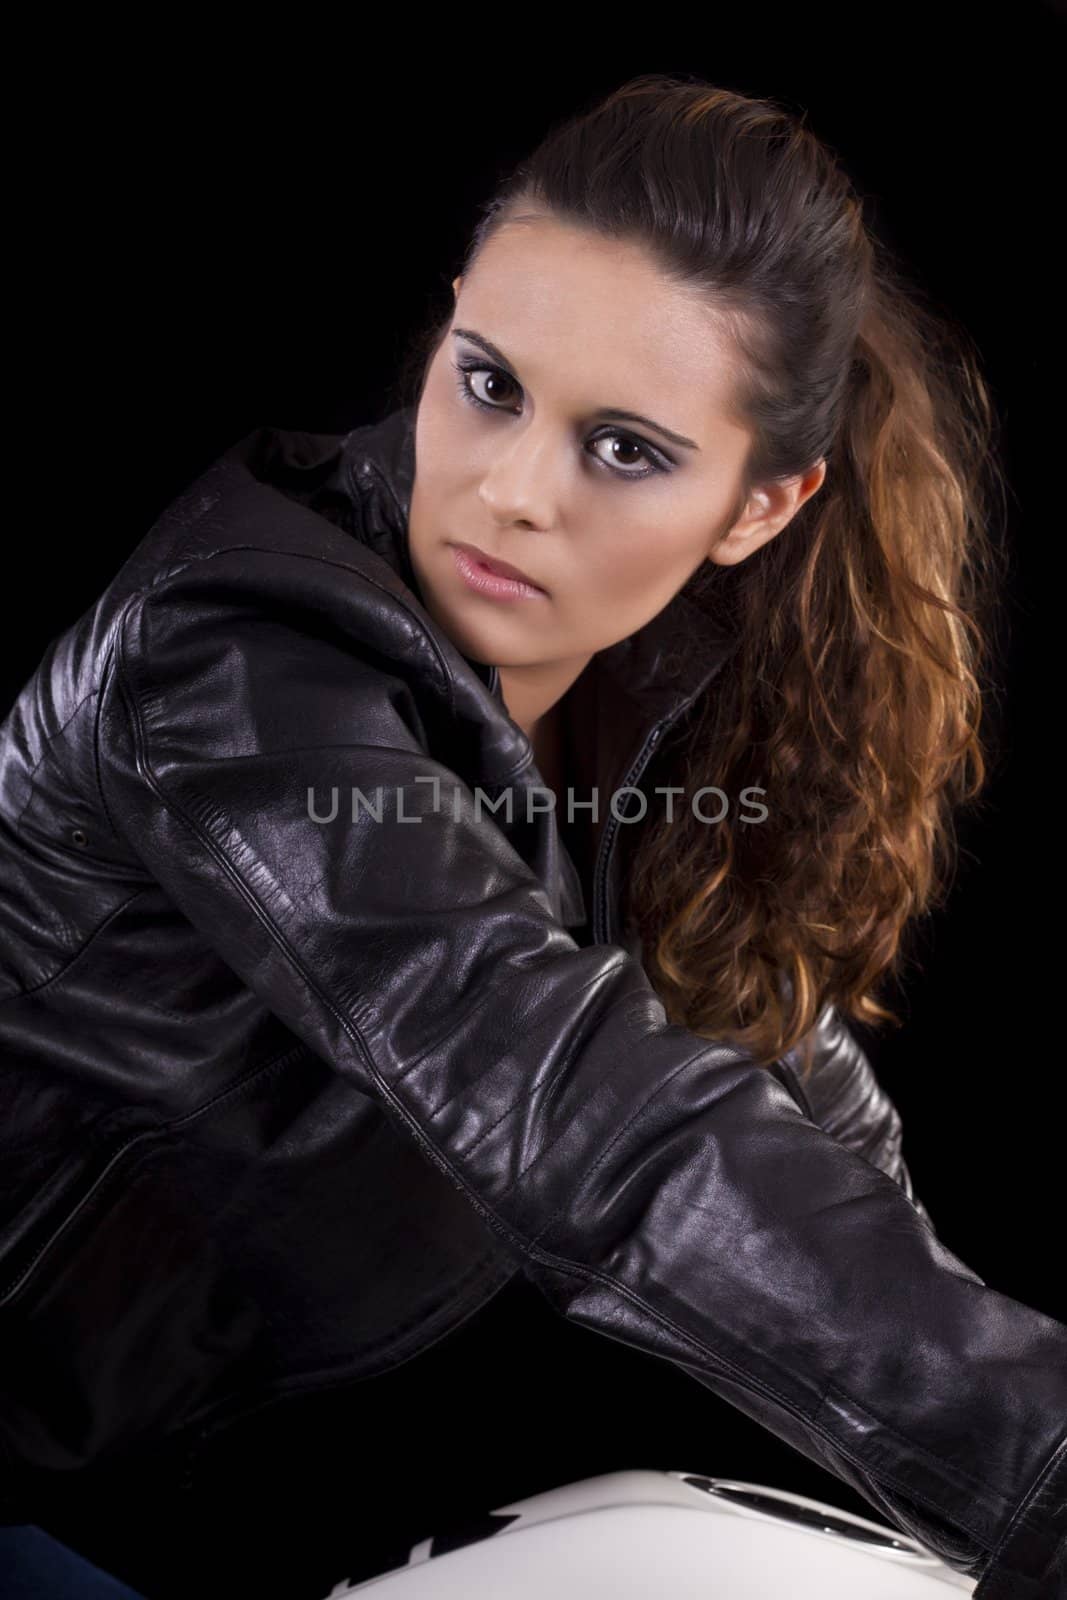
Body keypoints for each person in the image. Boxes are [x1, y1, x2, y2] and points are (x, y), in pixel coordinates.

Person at [0, 72, 1064, 1599]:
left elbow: (810, 1124)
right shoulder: (230, 654)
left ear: (764, 508)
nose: (507, 493)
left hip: (173, 1493)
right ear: (445, 326)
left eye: (624, 449)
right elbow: (569, 1095)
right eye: (489, 382)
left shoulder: (657, 702)